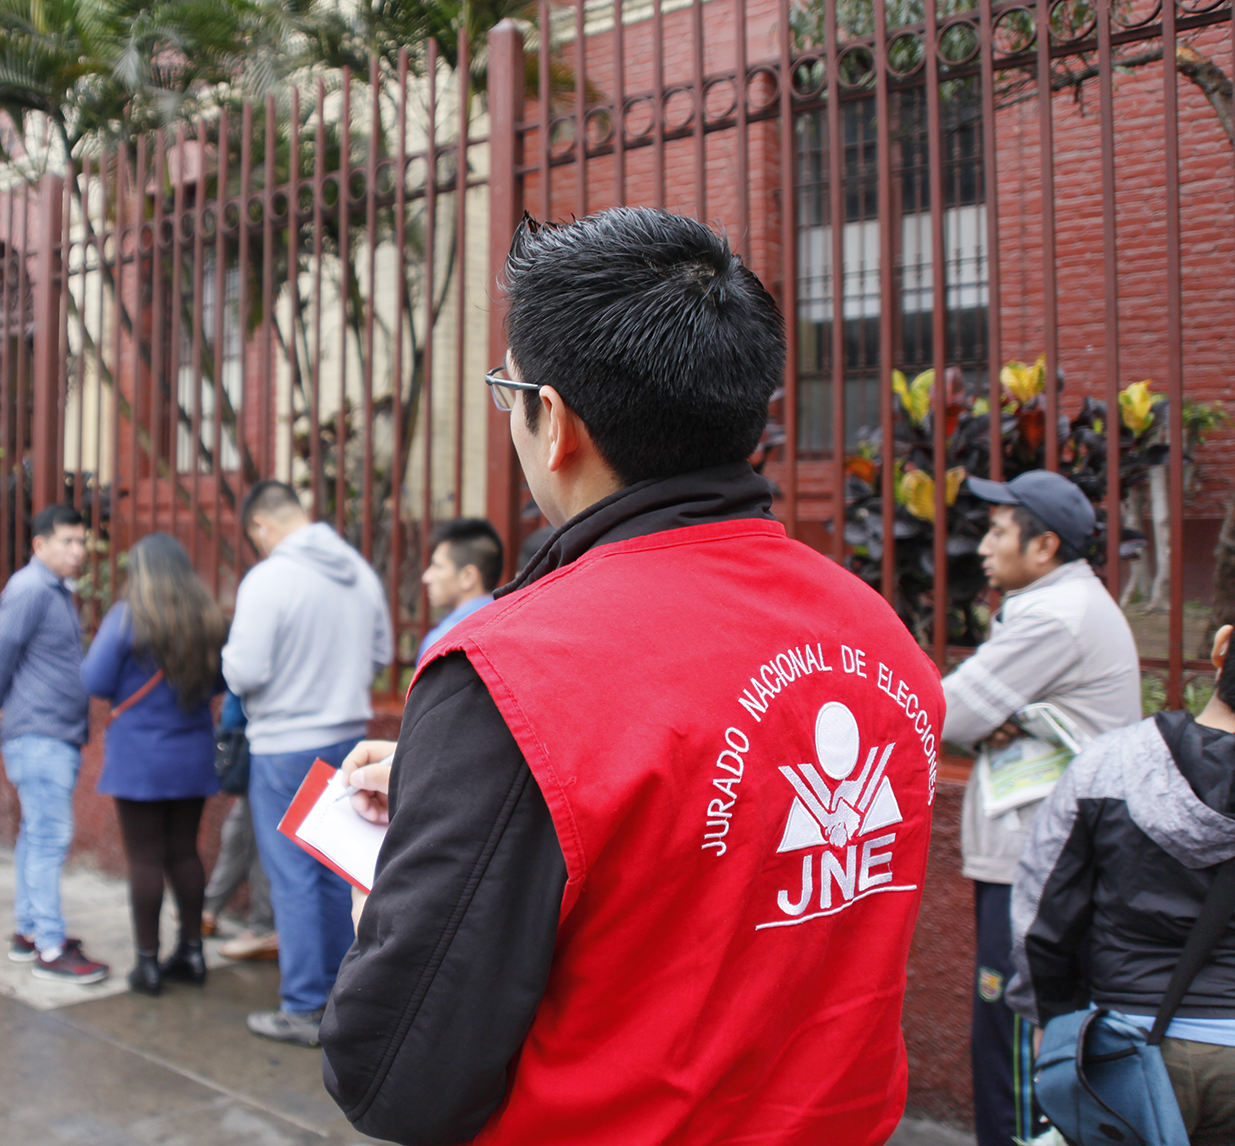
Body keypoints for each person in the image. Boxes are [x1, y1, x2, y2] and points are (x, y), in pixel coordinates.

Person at [321, 207, 941, 1144]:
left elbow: (392, 1075)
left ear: (555, 421)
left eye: (509, 390)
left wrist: (391, 878)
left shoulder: (514, 674)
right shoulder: (880, 638)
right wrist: (454, 783)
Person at [944, 469, 1142, 1146]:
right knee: (1014, 1033)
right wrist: (996, 715)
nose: (983, 546)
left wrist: (988, 715)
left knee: (1018, 1039)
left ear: (1045, 544)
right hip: (1038, 859)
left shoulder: (1057, 616)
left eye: (998, 531)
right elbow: (972, 714)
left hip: (1037, 864)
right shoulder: (1061, 604)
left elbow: (946, 711)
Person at [1009, 622, 1235, 1143]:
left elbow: (1043, 913)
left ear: (1221, 647)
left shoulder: (1111, 764)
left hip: (1128, 1049)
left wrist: (1051, 1020)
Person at [222, 480, 392, 1046]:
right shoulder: (359, 571)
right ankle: (347, 1000)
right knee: (335, 874)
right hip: (348, 737)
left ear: (260, 527)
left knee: (293, 877)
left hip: (283, 745)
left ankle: (302, 1007)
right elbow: (378, 654)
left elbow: (243, 672)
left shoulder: (268, 578)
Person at [81, 533, 227, 995]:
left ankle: (147, 963)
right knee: (185, 852)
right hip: (193, 753)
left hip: (140, 756)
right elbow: (222, 682)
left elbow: (95, 680)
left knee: (145, 857)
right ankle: (192, 952)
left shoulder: (127, 618)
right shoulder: (209, 619)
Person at [0, 504, 109, 983]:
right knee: (50, 837)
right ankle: (51, 949)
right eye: (67, 542)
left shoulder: (55, 591)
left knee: (37, 835)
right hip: (39, 735)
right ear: (39, 545)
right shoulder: (31, 589)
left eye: (81, 542)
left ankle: (30, 931)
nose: (78, 552)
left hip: (53, 733)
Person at [201, 692, 279, 961]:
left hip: (270, 736)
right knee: (243, 830)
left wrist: (229, 725)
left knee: (255, 836)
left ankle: (264, 927)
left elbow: (241, 675)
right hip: (269, 735)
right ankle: (211, 909)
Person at [417, 518, 503, 656]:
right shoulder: (510, 626)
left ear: (467, 576)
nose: (426, 577)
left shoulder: (442, 640)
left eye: (438, 566)